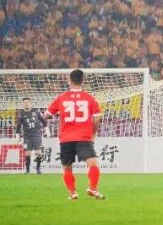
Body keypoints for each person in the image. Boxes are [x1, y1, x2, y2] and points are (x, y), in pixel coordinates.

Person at [42, 69, 104, 200]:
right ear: (83, 81)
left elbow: (46, 116)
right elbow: (97, 118)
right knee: (93, 165)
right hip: (84, 137)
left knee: (67, 168)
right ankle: (93, 188)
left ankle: (73, 193)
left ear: (69, 81)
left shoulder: (61, 98)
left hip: (66, 138)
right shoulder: (90, 98)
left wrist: (56, 114)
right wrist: (93, 133)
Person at [15, 97, 48, 174]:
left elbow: (43, 121)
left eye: (28, 102)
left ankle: (38, 168)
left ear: (30, 103)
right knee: (27, 153)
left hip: (36, 135)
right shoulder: (21, 113)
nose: (26, 104)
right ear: (23, 104)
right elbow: (18, 126)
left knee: (39, 153)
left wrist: (47, 130)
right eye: (25, 103)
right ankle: (27, 171)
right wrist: (17, 136)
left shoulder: (36, 111)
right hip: (27, 136)